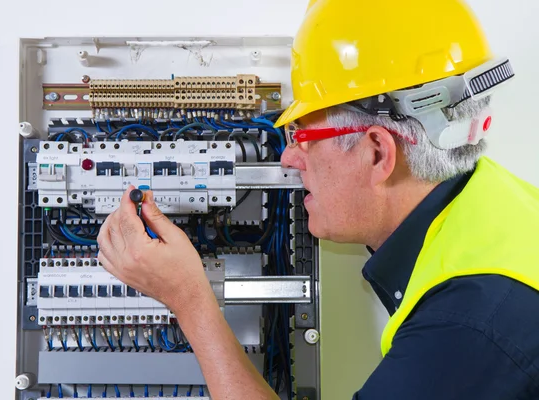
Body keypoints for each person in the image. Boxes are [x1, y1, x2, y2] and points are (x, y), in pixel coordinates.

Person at [97, 0, 539, 398]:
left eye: (304, 134)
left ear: (378, 151)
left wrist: (189, 300)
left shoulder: (465, 329)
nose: (289, 157)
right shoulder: (501, 209)